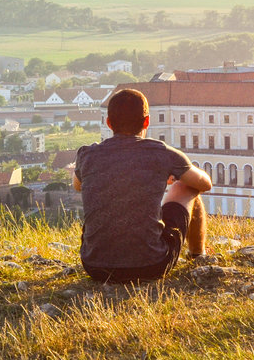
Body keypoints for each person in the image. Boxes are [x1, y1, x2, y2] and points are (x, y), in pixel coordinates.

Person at [73, 88, 212, 283]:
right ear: (147, 121)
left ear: (109, 123)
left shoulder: (87, 154)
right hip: (151, 265)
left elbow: (78, 186)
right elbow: (204, 184)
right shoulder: (162, 153)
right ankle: (198, 255)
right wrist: (170, 174)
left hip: (96, 267)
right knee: (186, 187)